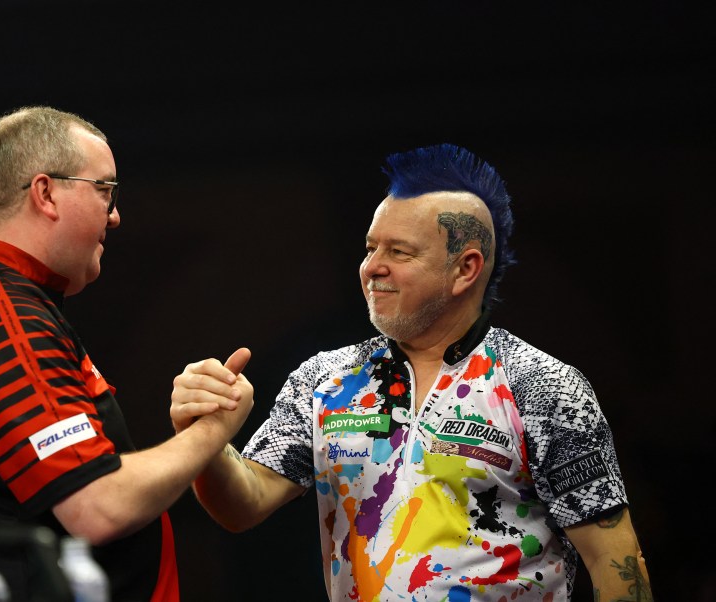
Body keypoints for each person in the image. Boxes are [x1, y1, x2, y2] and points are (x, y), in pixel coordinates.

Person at [170, 144, 653, 601]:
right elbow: (242, 505)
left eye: (399, 252)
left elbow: (615, 560)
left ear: (466, 269)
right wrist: (207, 439)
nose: (371, 267)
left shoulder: (541, 385)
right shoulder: (326, 379)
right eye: (369, 247)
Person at [0, 106, 254, 602]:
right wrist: (213, 429)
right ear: (46, 193)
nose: (114, 215)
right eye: (104, 190)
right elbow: (98, 506)